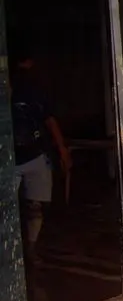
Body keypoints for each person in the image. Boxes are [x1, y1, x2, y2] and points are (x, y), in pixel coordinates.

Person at [10, 50, 71, 264]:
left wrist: (62, 149)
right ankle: (18, 251)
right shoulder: (9, 90)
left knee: (35, 206)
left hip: (35, 155)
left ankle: (31, 249)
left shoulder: (36, 91)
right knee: (14, 207)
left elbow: (49, 120)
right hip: (12, 159)